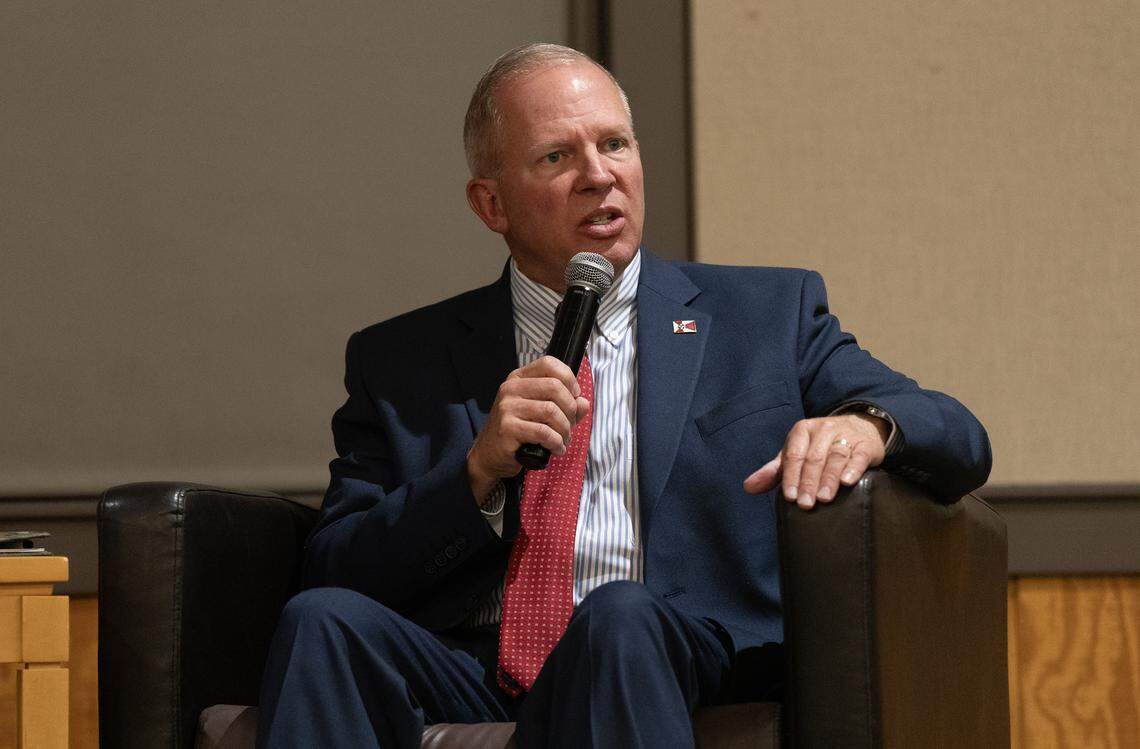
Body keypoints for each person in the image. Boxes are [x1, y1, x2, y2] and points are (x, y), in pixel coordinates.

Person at [256, 43, 991, 748]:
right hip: (472, 667)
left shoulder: (766, 316)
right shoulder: (400, 360)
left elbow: (958, 436)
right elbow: (335, 566)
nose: (599, 176)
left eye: (615, 145)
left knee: (618, 616)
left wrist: (867, 426)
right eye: (556, 157)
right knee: (323, 620)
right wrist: (474, 475)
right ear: (492, 203)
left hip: (677, 652)